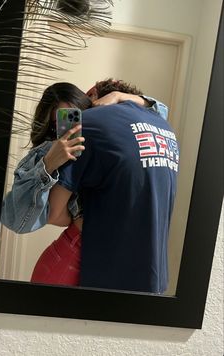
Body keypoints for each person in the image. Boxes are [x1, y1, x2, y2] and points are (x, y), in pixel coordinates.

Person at [1, 79, 168, 286]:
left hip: (100, 257)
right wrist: (49, 163)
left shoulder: (107, 131)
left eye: (76, 114)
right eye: (59, 123)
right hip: (71, 258)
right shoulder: (48, 152)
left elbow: (160, 113)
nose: (70, 126)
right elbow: (21, 220)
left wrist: (119, 97)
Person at [47, 79, 179, 293]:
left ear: (93, 94)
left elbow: (53, 213)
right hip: (154, 277)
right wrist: (121, 96)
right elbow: (157, 106)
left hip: (101, 273)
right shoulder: (164, 127)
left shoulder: (80, 122)